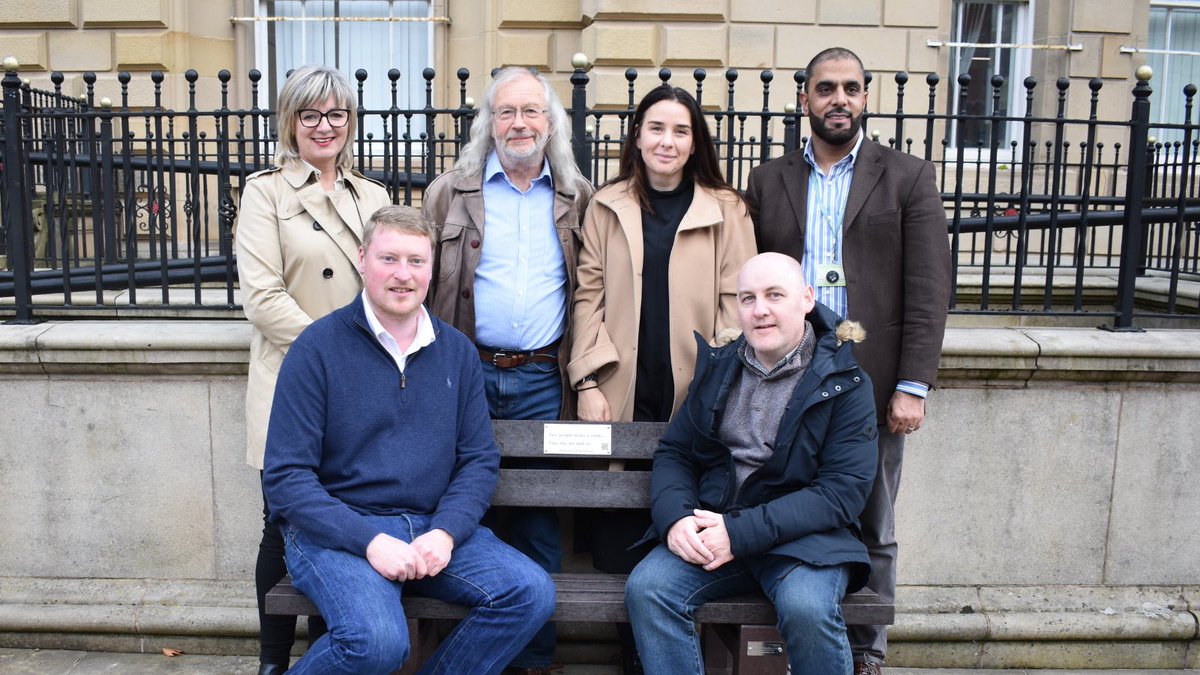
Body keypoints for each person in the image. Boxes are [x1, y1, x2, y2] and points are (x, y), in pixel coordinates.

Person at [261, 206, 555, 675]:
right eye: (389, 259)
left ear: (432, 268)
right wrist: (369, 540)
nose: (403, 275)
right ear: (362, 259)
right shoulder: (316, 349)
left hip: (429, 526)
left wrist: (446, 530)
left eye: (416, 261)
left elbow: (478, 459)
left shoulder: (456, 351)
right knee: (375, 644)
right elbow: (286, 478)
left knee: (529, 592)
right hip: (339, 532)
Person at [744, 47, 953, 674]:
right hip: (792, 373)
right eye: (826, 88)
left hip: (874, 375)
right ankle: (790, 637)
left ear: (866, 98)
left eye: (852, 89)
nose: (840, 99)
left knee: (875, 518)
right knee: (794, 504)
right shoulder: (769, 178)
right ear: (804, 98)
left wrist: (912, 385)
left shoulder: (907, 176)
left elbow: (928, 290)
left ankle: (868, 651)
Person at [567, 83, 756, 672]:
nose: (666, 141)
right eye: (655, 128)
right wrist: (588, 382)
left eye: (680, 130)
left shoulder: (727, 209)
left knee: (689, 545)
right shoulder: (606, 204)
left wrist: (717, 393)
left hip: (699, 400)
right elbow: (588, 296)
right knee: (621, 545)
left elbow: (738, 306)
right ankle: (633, 659)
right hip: (622, 394)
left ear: (695, 140)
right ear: (637, 136)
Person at [624, 252, 878, 674]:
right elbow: (676, 453)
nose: (760, 310)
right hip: (715, 527)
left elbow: (841, 494)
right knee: (649, 589)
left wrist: (738, 533)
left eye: (774, 295)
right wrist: (675, 519)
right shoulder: (718, 369)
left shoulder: (844, 383)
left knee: (807, 608)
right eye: (747, 298)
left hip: (803, 540)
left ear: (808, 299)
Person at [421, 66, 593, 675]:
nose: (519, 123)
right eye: (506, 112)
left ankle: (536, 661)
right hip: (464, 374)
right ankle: (474, 654)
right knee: (464, 513)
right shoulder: (451, 192)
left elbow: (590, 292)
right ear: (488, 123)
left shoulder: (578, 196)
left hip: (543, 379)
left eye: (531, 112)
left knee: (537, 519)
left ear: (551, 123)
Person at [234, 63, 391, 675]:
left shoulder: (373, 196)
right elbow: (262, 298)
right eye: (310, 115)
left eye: (337, 115)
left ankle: (336, 651)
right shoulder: (264, 192)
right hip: (296, 380)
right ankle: (274, 661)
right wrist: (338, 352)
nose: (325, 126)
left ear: (350, 123)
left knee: (344, 522)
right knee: (283, 522)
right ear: (290, 123)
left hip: (363, 388)